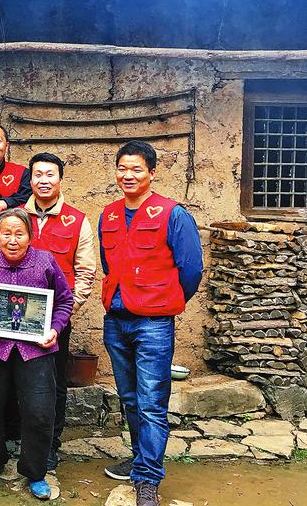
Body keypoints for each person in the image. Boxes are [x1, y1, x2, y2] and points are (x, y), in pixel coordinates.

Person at [98, 141, 203, 506]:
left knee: (151, 403)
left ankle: (148, 479)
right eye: (122, 168)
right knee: (129, 398)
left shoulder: (173, 214)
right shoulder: (109, 215)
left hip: (153, 324)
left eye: (136, 169)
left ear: (152, 173)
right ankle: (140, 459)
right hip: (117, 321)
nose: (128, 175)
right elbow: (109, 265)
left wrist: (164, 300)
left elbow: (192, 270)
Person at [0, 208, 74, 500]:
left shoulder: (45, 262)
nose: (12, 240)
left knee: (39, 411)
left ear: (30, 236)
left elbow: (64, 301)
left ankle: (35, 471)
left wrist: (55, 329)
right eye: (6, 233)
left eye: (19, 234)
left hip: (35, 349)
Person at [23, 152, 97, 471]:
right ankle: (17, 438)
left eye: (50, 174)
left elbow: (86, 272)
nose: (44, 180)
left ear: (61, 180)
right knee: (16, 380)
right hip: (15, 318)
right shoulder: (17, 216)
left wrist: (63, 316)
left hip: (55, 322)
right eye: (38, 174)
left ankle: (50, 444)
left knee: (53, 384)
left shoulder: (77, 220)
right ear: (30, 180)